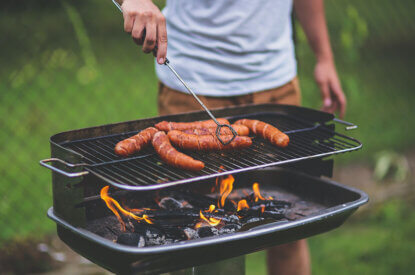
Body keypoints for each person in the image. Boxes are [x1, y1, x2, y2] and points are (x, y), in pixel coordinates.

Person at [115, 0, 346, 274]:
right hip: (192, 85)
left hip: (275, 84)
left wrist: (324, 57)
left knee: (288, 229)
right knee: (196, 235)